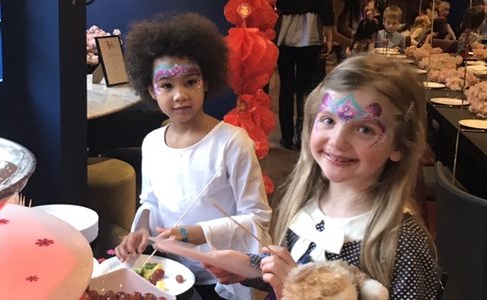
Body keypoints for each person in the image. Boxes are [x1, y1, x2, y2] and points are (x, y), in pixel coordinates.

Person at [196, 54, 440, 299]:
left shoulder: (405, 243)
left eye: (365, 129)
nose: (338, 141)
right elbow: (297, 267)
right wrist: (248, 267)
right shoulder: (308, 204)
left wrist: (293, 291)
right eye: (328, 120)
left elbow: (295, 281)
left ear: (399, 145)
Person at [114, 13, 273, 300]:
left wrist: (194, 233)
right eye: (167, 86)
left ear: (207, 82)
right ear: (151, 90)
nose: (179, 95)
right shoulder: (151, 143)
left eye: (190, 81)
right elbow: (150, 200)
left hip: (226, 275)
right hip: (175, 271)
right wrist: (139, 231)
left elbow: (257, 218)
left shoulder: (232, 142)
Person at [275, 0, 335, 150]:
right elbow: (326, 8)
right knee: (304, 89)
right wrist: (329, 37)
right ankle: (302, 136)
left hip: (284, 33)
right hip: (310, 33)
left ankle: (286, 136)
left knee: (286, 88)